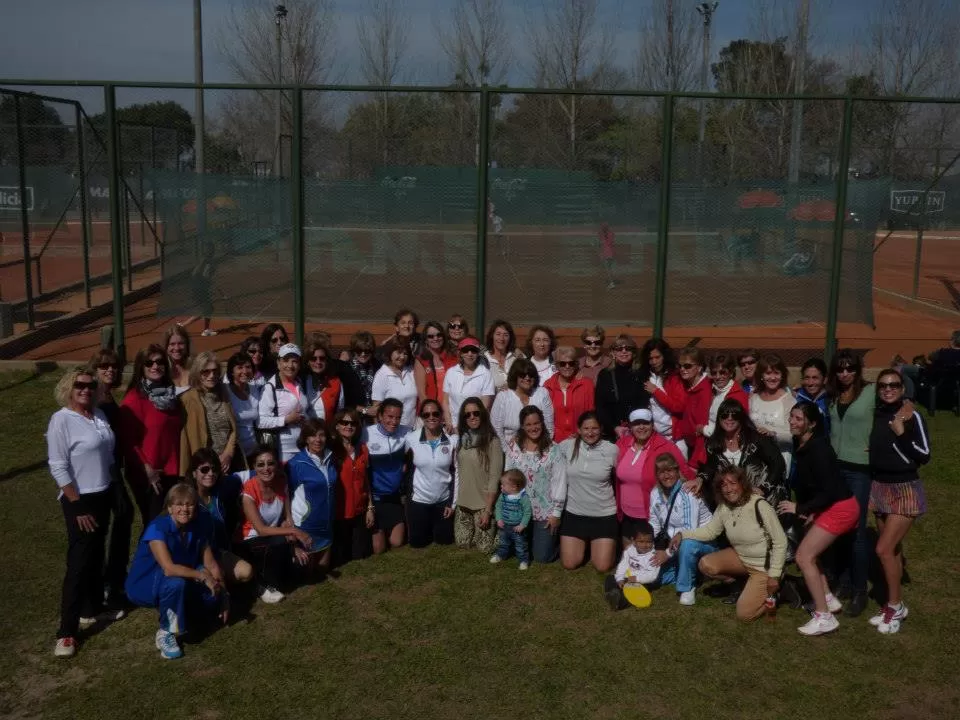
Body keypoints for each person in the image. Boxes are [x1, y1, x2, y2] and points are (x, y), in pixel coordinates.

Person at [48, 367, 119, 658]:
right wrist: (76, 504)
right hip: (79, 500)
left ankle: (92, 609)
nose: (85, 390)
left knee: (94, 554)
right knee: (78, 561)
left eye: (91, 386)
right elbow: (58, 466)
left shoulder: (98, 415)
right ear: (69, 387)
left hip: (102, 493)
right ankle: (66, 632)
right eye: (79, 385)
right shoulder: (61, 420)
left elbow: (107, 456)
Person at [778, 402, 858, 636]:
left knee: (803, 557)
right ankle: (827, 599)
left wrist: (801, 507)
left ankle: (825, 617)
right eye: (791, 417)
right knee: (811, 554)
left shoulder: (818, 449)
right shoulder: (801, 442)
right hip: (829, 505)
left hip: (841, 507)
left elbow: (830, 490)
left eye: (799, 419)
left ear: (812, 424)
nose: (793, 422)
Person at [670, 467, 788, 622]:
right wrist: (682, 534)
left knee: (744, 614)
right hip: (742, 559)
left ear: (742, 484)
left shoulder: (760, 505)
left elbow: (781, 541)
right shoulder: (724, 507)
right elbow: (710, 531)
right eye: (723, 485)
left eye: (732, 483)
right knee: (706, 564)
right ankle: (743, 583)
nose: (728, 489)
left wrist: (774, 574)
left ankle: (777, 591)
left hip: (763, 566)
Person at [125, 484, 227, 660]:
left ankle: (185, 612)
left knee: (212, 598)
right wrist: (202, 576)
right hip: (148, 582)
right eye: (179, 504)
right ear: (170, 507)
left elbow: (211, 565)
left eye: (189, 504)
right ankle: (166, 631)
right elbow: (169, 569)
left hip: (180, 576)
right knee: (176, 584)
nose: (184, 509)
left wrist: (224, 596)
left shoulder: (196, 527)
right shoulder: (157, 528)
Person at [867, 368, 930, 634]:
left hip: (904, 488)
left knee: (883, 549)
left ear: (903, 389)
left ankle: (895, 605)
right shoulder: (877, 412)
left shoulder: (911, 415)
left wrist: (901, 432)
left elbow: (924, 454)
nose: (888, 389)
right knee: (891, 551)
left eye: (893, 385)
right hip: (879, 486)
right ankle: (893, 604)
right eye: (883, 385)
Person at [827, 349, 875, 617]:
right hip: (837, 468)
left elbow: (899, 405)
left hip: (859, 470)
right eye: (840, 369)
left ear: (858, 370)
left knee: (857, 532)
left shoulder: (870, 393)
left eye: (850, 369)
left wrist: (907, 408)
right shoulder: (834, 394)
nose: (845, 374)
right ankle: (843, 581)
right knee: (840, 527)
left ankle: (860, 590)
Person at [238, 446, 312, 604]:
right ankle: (260, 584)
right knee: (278, 545)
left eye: (270, 463)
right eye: (260, 464)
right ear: (254, 467)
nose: (266, 468)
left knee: (301, 565)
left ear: (277, 465)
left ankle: (273, 578)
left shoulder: (281, 481)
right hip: (252, 540)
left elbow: (287, 518)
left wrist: (294, 545)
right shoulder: (249, 491)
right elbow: (261, 530)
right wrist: (295, 532)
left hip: (274, 538)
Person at [89, 348, 133, 611]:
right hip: (104, 472)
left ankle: (112, 578)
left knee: (123, 517)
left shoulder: (107, 396)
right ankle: (108, 583)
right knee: (119, 516)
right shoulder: (93, 398)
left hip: (114, 468)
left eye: (114, 367)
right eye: (104, 367)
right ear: (95, 369)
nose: (110, 371)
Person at [119, 345, 183, 524]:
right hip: (150, 475)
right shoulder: (133, 400)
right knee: (155, 525)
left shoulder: (171, 396)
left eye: (160, 361)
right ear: (141, 366)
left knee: (171, 523)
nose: (155, 366)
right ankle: (145, 553)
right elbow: (128, 441)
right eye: (149, 362)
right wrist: (147, 469)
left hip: (171, 470)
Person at [615, 408, 692, 540]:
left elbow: (684, 472)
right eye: (636, 423)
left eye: (645, 423)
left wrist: (694, 482)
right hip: (626, 513)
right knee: (630, 556)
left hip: (653, 514)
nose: (641, 427)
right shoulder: (622, 444)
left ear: (652, 425)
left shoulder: (665, 446)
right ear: (630, 426)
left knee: (650, 557)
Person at [647, 453, 715, 605]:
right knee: (656, 575)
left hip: (702, 542)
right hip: (674, 544)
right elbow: (654, 523)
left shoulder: (688, 493)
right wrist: (652, 547)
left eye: (670, 470)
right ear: (657, 475)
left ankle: (687, 587)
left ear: (677, 471)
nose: (667, 475)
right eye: (662, 472)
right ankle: (695, 573)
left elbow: (688, 531)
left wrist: (666, 553)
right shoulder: (654, 493)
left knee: (687, 544)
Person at [556, 412, 619, 572]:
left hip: (603, 514)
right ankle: (588, 544)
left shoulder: (612, 450)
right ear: (578, 429)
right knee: (569, 563)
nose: (590, 433)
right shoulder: (567, 446)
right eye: (586, 428)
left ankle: (598, 544)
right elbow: (546, 451)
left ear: (601, 429)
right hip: (574, 513)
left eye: (594, 428)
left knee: (602, 566)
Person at [504, 407, 566, 564]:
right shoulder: (513, 446)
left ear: (542, 423)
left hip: (544, 511)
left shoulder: (553, 449)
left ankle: (556, 540)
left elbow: (559, 482)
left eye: (536, 423)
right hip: (519, 509)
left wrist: (556, 513)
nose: (533, 428)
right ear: (523, 426)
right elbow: (508, 476)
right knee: (513, 549)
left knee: (542, 557)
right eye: (528, 424)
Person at [187, 449, 252, 586]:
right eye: (204, 470)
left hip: (219, 552)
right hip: (195, 557)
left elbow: (248, 475)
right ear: (194, 473)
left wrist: (278, 471)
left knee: (246, 572)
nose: (210, 474)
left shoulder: (220, 490)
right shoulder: (186, 500)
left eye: (214, 469)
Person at [286, 419, 338, 578]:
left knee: (322, 570)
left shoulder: (331, 457)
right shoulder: (295, 464)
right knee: (306, 577)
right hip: (306, 526)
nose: (318, 440)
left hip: (326, 525)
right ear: (305, 439)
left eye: (321, 435)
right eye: (312, 436)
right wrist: (290, 527)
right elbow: (286, 497)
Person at [453, 398, 504, 554]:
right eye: (467, 415)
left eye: (476, 413)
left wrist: (488, 510)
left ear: (483, 414)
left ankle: (504, 534)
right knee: (462, 543)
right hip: (463, 504)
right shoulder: (461, 441)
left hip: (483, 505)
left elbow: (495, 478)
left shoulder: (492, 441)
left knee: (485, 548)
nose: (472, 417)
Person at [404, 399, 457, 548]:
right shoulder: (411, 439)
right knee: (418, 543)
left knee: (444, 541)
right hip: (419, 500)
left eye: (435, 413)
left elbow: (455, 474)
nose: (431, 417)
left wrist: (451, 503)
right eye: (426, 414)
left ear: (441, 416)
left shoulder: (452, 440)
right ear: (421, 417)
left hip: (443, 500)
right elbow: (405, 467)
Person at [364, 399, 412, 554]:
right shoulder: (366, 434)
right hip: (375, 498)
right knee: (379, 549)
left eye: (398, 417)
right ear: (380, 416)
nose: (394, 421)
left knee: (396, 543)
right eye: (390, 417)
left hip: (394, 497)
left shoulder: (407, 432)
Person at [179, 352, 238, 476]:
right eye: (206, 372)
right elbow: (186, 439)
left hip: (226, 464)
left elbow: (234, 428)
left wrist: (228, 453)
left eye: (215, 371)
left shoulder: (224, 392)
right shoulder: (189, 398)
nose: (212, 376)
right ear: (197, 373)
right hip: (203, 468)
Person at [330, 409, 373, 565]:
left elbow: (366, 481)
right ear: (336, 426)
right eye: (344, 422)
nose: (349, 426)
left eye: (353, 423)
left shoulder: (362, 449)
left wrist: (370, 508)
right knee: (340, 559)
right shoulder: (330, 451)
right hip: (339, 514)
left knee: (361, 556)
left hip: (359, 511)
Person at [258, 343, 309, 464]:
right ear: (278, 363)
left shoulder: (300, 383)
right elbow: (261, 421)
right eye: (285, 361)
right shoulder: (270, 388)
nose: (290, 365)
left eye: (294, 361)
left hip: (303, 444)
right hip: (282, 450)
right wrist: (286, 419)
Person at [490, 358, 555, 450]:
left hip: (539, 449)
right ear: (515, 376)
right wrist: (508, 452)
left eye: (531, 375)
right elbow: (496, 429)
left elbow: (549, 427)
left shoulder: (542, 393)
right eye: (522, 375)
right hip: (508, 450)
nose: (527, 378)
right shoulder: (503, 397)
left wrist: (541, 448)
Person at [595, 334, 650, 441]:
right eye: (619, 349)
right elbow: (600, 406)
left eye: (628, 349)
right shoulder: (605, 375)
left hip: (636, 430)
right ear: (613, 353)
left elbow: (644, 403)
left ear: (634, 353)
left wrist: (633, 426)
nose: (623, 351)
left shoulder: (641, 374)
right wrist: (614, 427)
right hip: (612, 432)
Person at [749, 354, 795, 472]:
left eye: (777, 373)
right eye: (768, 373)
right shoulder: (753, 398)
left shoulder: (789, 401)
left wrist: (772, 434)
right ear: (761, 376)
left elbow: (793, 435)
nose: (773, 378)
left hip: (778, 460)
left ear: (782, 375)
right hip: (754, 460)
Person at [443, 337, 496, 432]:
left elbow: (484, 406)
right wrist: (448, 422)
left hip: (475, 427)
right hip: (453, 427)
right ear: (460, 353)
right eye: (466, 351)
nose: (470, 354)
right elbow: (445, 401)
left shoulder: (485, 374)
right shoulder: (451, 372)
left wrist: (467, 426)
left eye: (474, 351)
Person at [603, 522, 660, 611]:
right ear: (633, 541)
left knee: (634, 595)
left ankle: (618, 602)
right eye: (641, 541)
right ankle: (612, 593)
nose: (645, 545)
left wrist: (636, 579)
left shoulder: (654, 557)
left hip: (642, 583)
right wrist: (620, 578)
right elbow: (623, 565)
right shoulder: (629, 550)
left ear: (653, 541)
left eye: (649, 542)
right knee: (610, 578)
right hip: (627, 578)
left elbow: (652, 576)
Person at [544, 345, 596, 442]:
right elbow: (545, 417)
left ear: (576, 364)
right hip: (555, 441)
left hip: (581, 440)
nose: (567, 366)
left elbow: (591, 413)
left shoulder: (586, 384)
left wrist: (580, 433)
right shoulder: (548, 386)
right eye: (562, 364)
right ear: (556, 365)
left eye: (571, 363)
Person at [640, 338, 684, 448]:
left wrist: (656, 391)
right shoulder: (644, 376)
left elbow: (678, 407)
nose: (654, 362)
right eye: (650, 358)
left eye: (657, 357)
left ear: (665, 356)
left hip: (675, 437)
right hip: (653, 436)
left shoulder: (674, 377)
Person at [489, 469, 532, 569]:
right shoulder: (503, 496)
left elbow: (527, 512)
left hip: (517, 528)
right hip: (504, 526)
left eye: (503, 485)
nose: (501, 486)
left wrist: (522, 525)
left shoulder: (523, 497)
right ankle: (501, 555)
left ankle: (523, 561)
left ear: (513, 487)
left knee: (520, 546)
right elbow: (498, 507)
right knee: (503, 543)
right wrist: (499, 519)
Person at [225, 351, 262, 468]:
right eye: (239, 368)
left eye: (248, 367)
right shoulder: (225, 392)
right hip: (235, 454)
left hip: (254, 452)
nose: (245, 371)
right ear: (232, 371)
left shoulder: (255, 389)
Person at [676, 346, 711, 465]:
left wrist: (695, 463)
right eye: (680, 366)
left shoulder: (704, 391)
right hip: (689, 444)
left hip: (698, 452)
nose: (682, 369)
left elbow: (702, 430)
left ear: (699, 367)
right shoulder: (689, 386)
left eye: (687, 366)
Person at [371, 339, 418, 427]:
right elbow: (376, 408)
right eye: (399, 353)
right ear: (390, 353)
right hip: (391, 429)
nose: (402, 357)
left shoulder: (411, 371)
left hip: (411, 428)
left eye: (405, 353)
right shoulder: (382, 374)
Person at [702, 353, 749, 437]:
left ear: (731, 373)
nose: (718, 376)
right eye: (714, 373)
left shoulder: (739, 396)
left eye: (722, 372)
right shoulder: (709, 389)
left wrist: (704, 430)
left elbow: (735, 429)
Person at [414, 321, 458, 409]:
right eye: (431, 336)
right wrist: (431, 413)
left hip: (451, 410)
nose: (435, 338)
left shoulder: (453, 358)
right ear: (426, 339)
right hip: (430, 413)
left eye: (439, 335)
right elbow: (422, 394)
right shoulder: (421, 360)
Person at [303, 336, 345, 423]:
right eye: (313, 358)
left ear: (327, 360)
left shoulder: (336, 382)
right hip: (304, 432)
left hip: (326, 432)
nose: (318, 362)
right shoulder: (301, 381)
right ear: (308, 361)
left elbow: (340, 412)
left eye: (322, 358)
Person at [485, 319, 524, 392]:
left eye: (505, 335)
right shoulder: (484, 359)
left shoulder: (517, 356)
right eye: (498, 334)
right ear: (492, 336)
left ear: (510, 338)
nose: (502, 338)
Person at [347, 330, 381, 413]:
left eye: (367, 351)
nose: (363, 354)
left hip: (375, 415)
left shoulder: (378, 367)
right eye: (359, 351)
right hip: (353, 416)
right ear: (353, 351)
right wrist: (366, 410)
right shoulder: (346, 368)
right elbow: (345, 400)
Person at [795, 357, 830, 433]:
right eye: (807, 378)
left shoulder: (831, 401)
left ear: (825, 379)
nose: (810, 383)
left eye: (815, 378)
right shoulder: (796, 397)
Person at [193, 242, 217, 336]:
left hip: (200, 286)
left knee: (208, 309)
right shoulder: (207, 261)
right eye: (211, 249)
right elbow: (198, 274)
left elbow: (196, 273)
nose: (212, 251)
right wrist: (207, 282)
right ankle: (182, 325)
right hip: (201, 288)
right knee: (206, 309)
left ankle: (206, 329)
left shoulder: (204, 259)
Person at [164, 324, 192, 395]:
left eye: (181, 343)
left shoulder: (195, 368)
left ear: (187, 345)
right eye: (172, 344)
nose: (177, 348)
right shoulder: (161, 370)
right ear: (166, 347)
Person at [598, 222, 617, 289]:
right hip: (611, 252)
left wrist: (601, 254)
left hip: (606, 253)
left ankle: (611, 283)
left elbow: (601, 244)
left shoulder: (602, 235)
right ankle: (612, 281)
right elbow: (613, 243)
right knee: (610, 268)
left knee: (607, 269)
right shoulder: (611, 233)